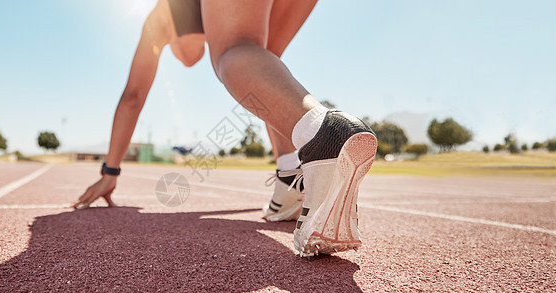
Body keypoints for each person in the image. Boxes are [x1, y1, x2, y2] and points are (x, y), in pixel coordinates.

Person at [74, 0, 377, 257]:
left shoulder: (163, 15)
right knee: (264, 61)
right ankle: (290, 177)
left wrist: (109, 172)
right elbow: (262, 84)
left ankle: (324, 136)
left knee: (235, 48)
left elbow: (132, 97)